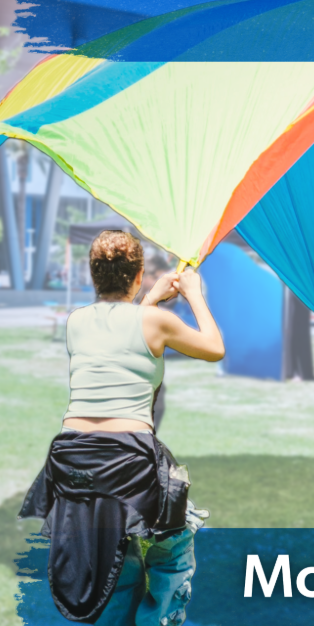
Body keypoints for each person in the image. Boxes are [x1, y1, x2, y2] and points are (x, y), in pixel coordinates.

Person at [19, 230, 225, 625]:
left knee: (112, 555)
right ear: (138, 276)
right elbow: (213, 347)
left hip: (71, 461)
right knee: (173, 548)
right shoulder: (157, 322)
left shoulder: (75, 322)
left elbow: (124, 330)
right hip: (127, 460)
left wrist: (149, 299)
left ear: (92, 276)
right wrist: (193, 293)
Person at [137, 253, 174, 432]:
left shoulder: (156, 300)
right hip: (133, 376)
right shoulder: (129, 299)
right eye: (157, 278)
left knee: (156, 406)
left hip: (151, 373)